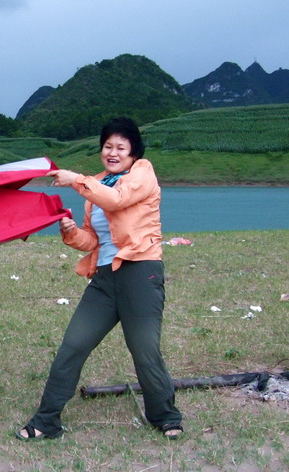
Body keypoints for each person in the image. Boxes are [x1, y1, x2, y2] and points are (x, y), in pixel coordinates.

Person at [16, 117, 183, 441]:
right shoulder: (97, 184)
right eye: (108, 146)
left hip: (140, 273)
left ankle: (165, 416)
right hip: (105, 280)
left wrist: (74, 180)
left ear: (134, 152)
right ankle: (46, 421)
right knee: (73, 345)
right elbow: (92, 239)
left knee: (145, 351)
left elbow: (117, 200)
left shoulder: (142, 173)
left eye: (121, 147)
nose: (113, 152)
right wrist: (71, 232)